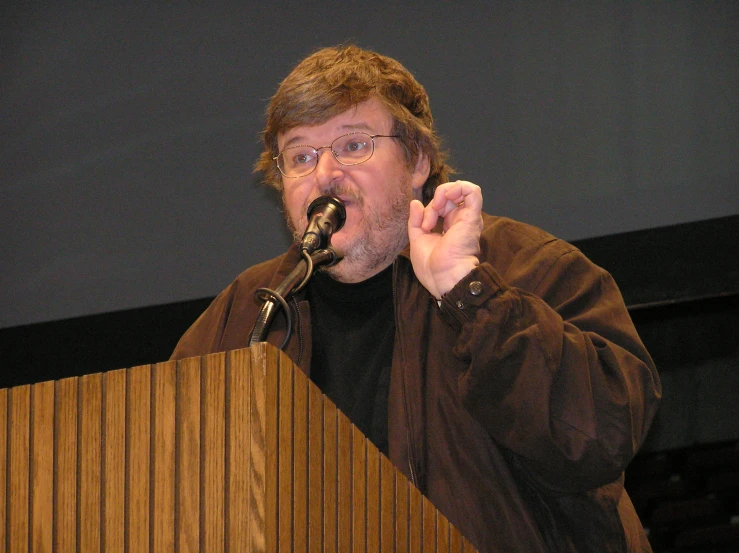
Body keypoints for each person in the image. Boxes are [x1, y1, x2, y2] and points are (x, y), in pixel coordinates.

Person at [171, 45, 661, 552]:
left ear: (418, 160)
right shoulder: (246, 314)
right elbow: (172, 484)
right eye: (301, 156)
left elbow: (598, 437)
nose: (325, 175)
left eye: (354, 146)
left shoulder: (527, 268)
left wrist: (471, 294)